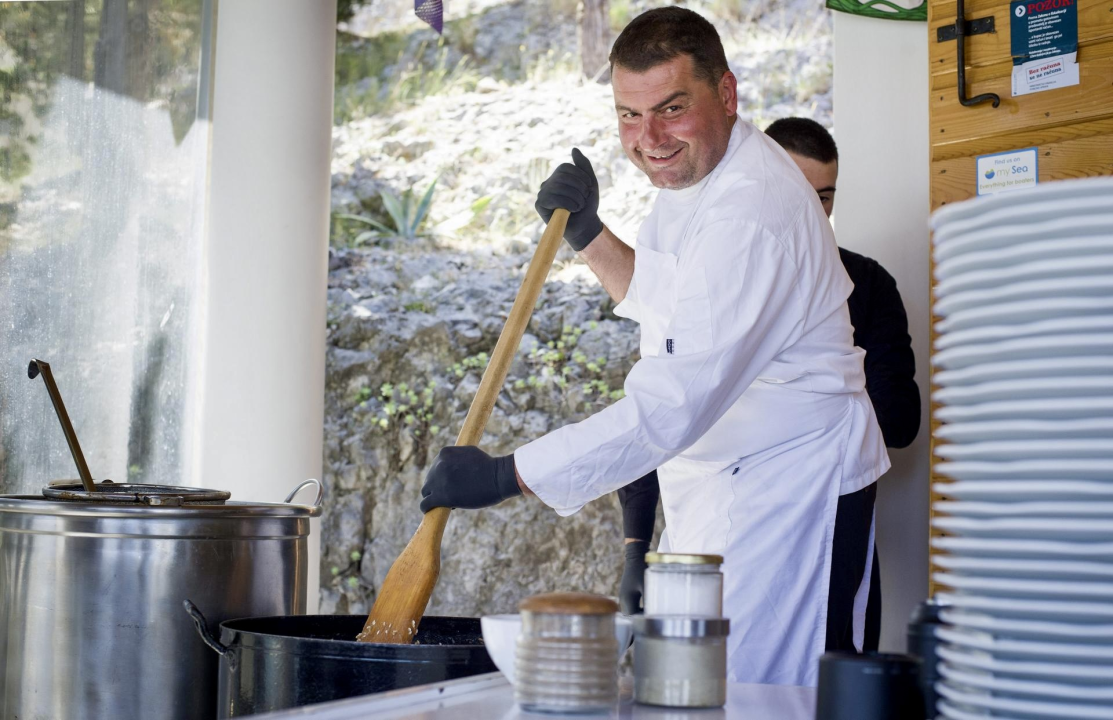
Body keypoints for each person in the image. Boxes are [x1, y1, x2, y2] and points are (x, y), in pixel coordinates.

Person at [418, 7, 889, 687]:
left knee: (770, 694)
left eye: (671, 108)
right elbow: (673, 303)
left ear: (725, 94)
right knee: (694, 690)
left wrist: (505, 476)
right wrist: (587, 232)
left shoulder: (751, 213)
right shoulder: (697, 178)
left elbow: (670, 405)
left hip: (794, 495)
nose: (649, 139)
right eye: (628, 116)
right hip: (716, 487)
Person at [617, 118, 921, 655]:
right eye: (797, 191)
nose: (810, 210)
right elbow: (661, 410)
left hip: (822, 524)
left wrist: (810, 389)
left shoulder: (866, 286)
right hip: (711, 532)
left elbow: (898, 421)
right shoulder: (708, 277)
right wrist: (635, 548)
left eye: (824, 197)